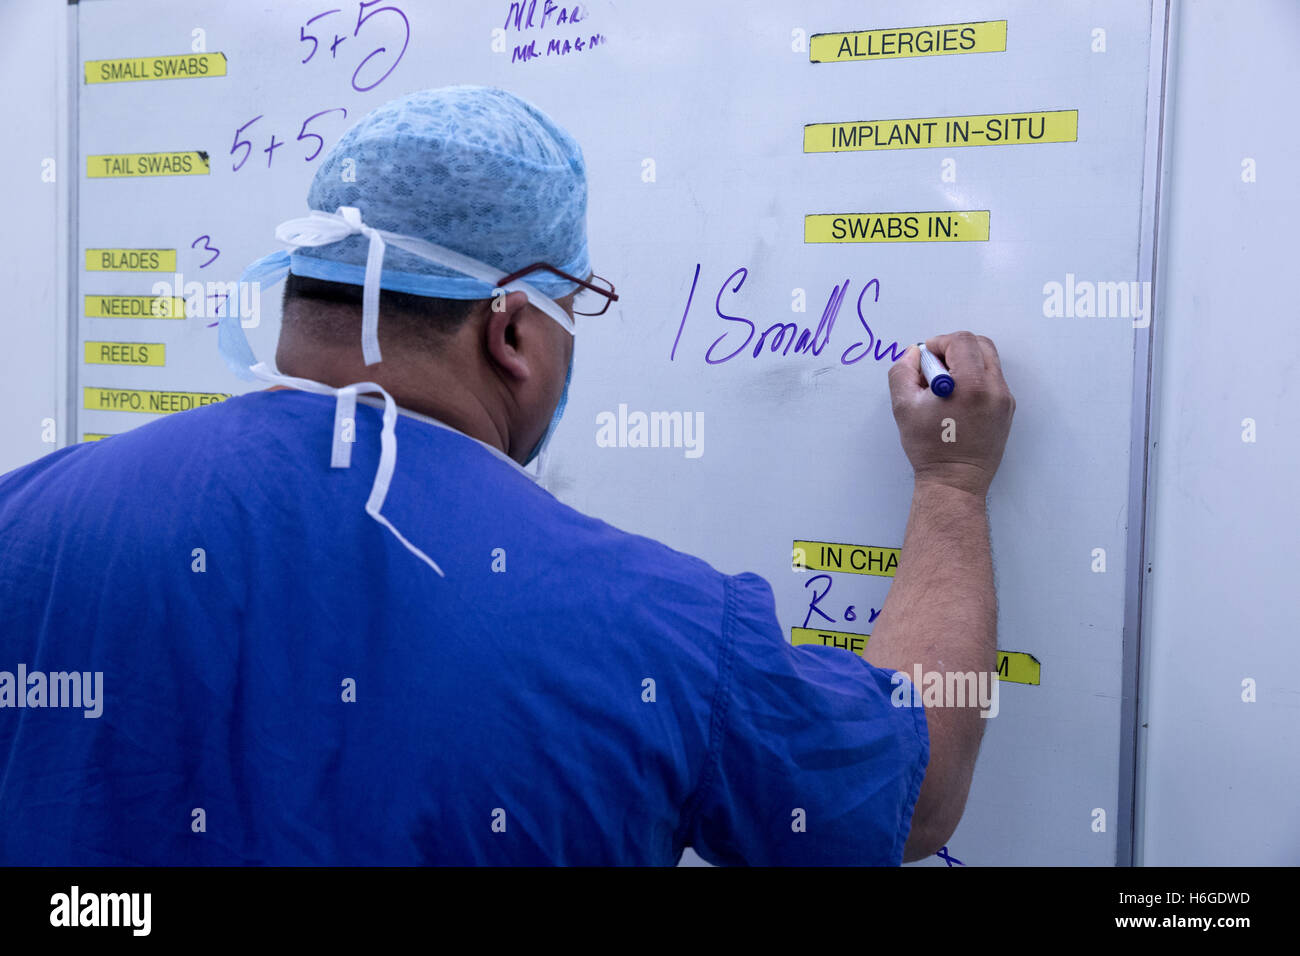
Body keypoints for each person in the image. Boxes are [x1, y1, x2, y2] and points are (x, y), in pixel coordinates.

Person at [0, 86, 1014, 865]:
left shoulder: (31, 514)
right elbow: (911, 786)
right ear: (515, 329)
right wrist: (951, 487)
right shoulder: (658, 626)